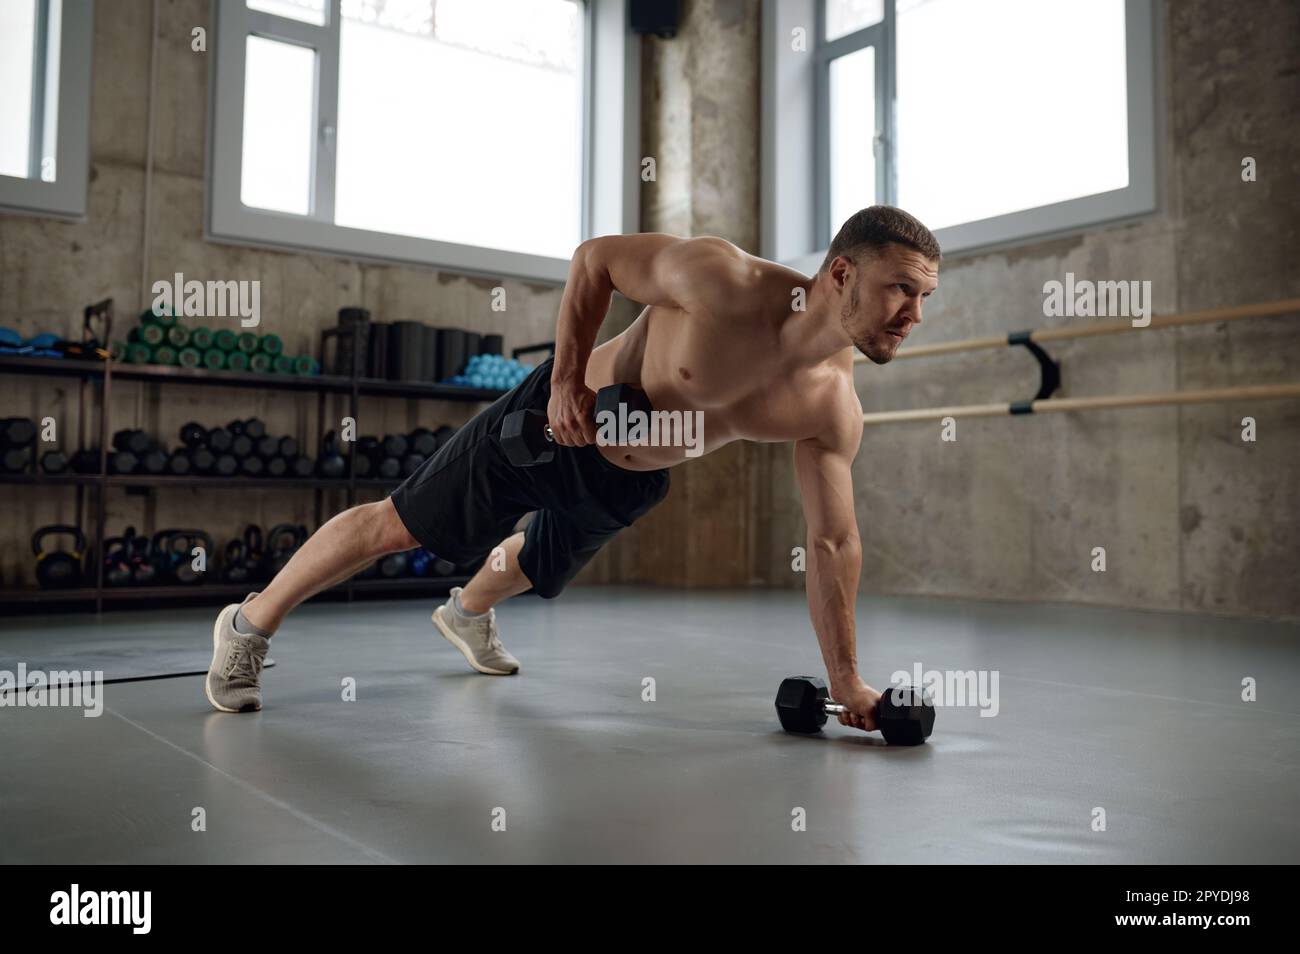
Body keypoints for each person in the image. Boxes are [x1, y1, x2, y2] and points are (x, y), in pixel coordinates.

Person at [205, 205, 940, 733]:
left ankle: (464, 614)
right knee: (398, 528)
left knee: (536, 564)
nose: (911, 311)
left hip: (633, 474)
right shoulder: (721, 279)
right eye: (900, 288)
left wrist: (845, 680)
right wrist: (564, 381)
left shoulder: (831, 405)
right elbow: (595, 259)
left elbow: (833, 545)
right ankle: (247, 625)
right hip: (556, 427)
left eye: (923, 297)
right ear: (841, 272)